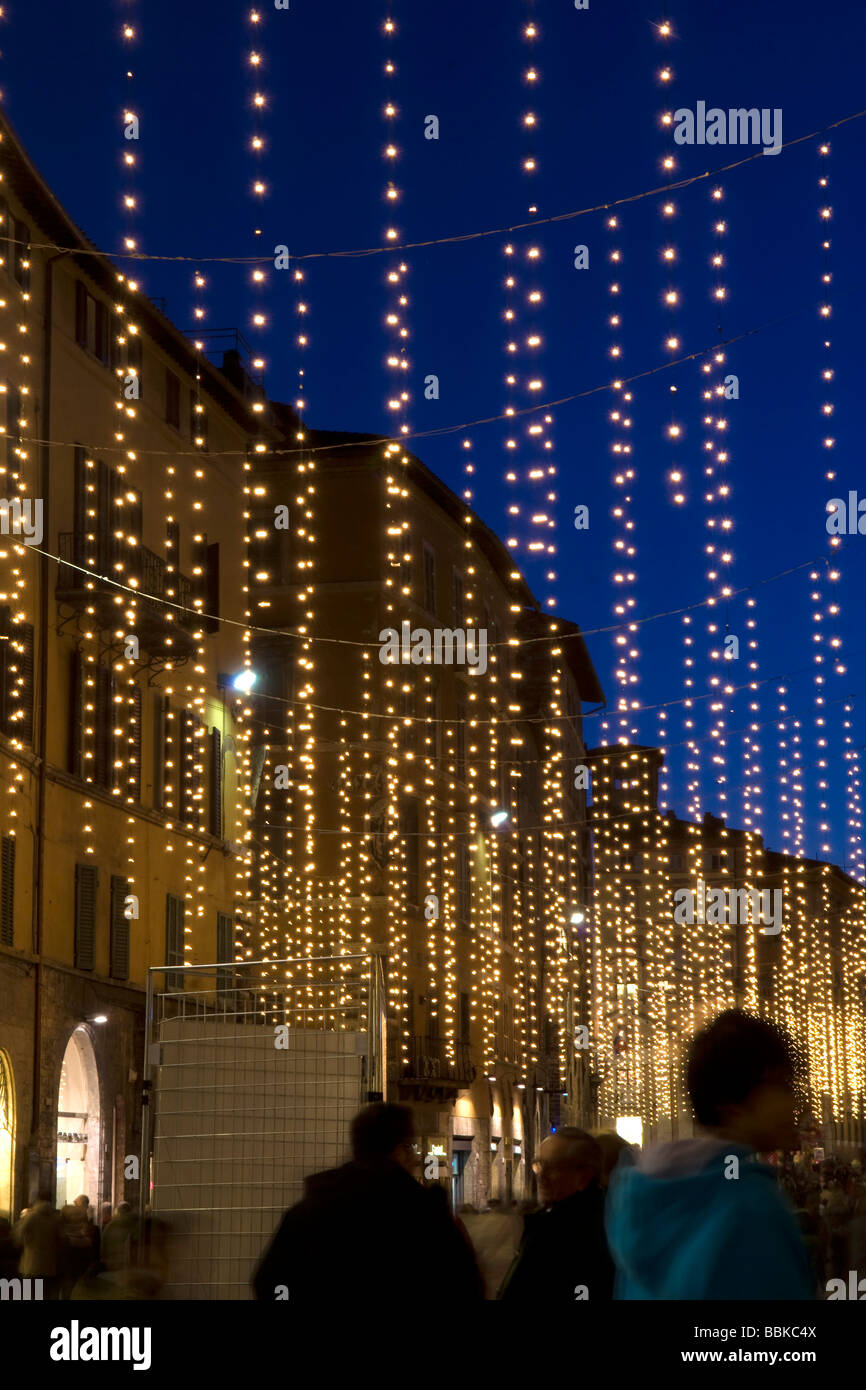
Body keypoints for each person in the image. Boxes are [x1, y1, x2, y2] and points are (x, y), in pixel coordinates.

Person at [606, 1009, 814, 1299]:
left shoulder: (646, 1200)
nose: (794, 1102)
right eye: (780, 1085)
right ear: (735, 1102)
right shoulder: (749, 1205)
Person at [252, 1102, 483, 1306]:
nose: (413, 1158)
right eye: (409, 1147)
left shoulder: (310, 1209)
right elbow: (466, 1286)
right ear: (397, 1150)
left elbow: (270, 1281)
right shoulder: (424, 1215)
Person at [498, 1128, 614, 1303]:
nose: (541, 1176)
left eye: (552, 1167)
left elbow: (583, 1288)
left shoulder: (581, 1231)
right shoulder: (549, 1220)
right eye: (539, 1165)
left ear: (583, 1176)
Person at [12, 1191, 65, 1299]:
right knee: (46, 1296)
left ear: (37, 1200)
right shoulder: (56, 1218)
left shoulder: (30, 1217)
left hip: (31, 1266)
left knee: (30, 1296)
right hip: (50, 1267)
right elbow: (62, 1241)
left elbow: (18, 1236)